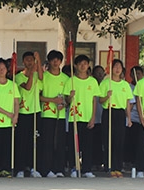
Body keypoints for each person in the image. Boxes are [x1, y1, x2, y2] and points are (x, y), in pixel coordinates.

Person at [64, 55, 100, 178]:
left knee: (88, 145)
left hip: (88, 117)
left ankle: (87, 169)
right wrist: (70, 96)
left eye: (85, 63)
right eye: (80, 63)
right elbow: (66, 101)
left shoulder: (93, 81)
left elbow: (94, 100)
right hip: (74, 117)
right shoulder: (71, 81)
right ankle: (74, 167)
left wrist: (93, 117)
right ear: (75, 65)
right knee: (74, 144)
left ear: (88, 65)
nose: (83, 66)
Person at [98, 59, 133, 177]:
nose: (117, 69)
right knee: (108, 140)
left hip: (120, 113)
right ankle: (108, 166)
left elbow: (127, 102)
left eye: (119, 67)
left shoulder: (125, 85)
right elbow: (100, 100)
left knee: (119, 140)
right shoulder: (105, 83)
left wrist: (129, 118)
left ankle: (118, 166)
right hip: (108, 111)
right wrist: (107, 96)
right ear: (111, 68)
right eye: (115, 66)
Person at [39, 50, 68, 178]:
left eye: (58, 60)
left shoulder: (66, 78)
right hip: (47, 114)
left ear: (61, 62)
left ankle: (59, 168)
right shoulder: (44, 76)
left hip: (60, 115)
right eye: (53, 60)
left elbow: (67, 99)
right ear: (49, 61)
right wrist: (52, 100)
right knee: (47, 143)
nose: (55, 62)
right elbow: (38, 96)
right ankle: (46, 169)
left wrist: (64, 103)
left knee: (60, 143)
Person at [14, 51, 43, 177]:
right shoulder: (19, 77)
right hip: (23, 112)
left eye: (32, 60)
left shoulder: (37, 74)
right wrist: (31, 73)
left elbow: (42, 78)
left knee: (34, 141)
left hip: (35, 111)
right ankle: (20, 168)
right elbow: (28, 87)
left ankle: (32, 167)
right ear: (23, 61)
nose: (30, 62)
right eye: (27, 60)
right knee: (21, 141)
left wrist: (39, 60)